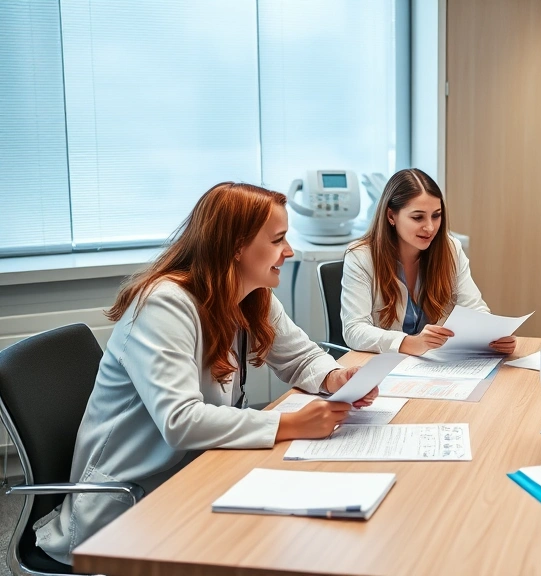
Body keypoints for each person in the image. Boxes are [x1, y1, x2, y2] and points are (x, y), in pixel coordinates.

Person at [35, 182, 377, 565]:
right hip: (131, 503)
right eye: (278, 239)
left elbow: (300, 358)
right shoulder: (165, 304)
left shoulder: (250, 294)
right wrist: (291, 424)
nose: (289, 251)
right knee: (288, 546)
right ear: (236, 246)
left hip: (197, 474)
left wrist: (334, 377)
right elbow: (181, 421)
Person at [341, 168, 515, 356]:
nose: (430, 227)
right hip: (384, 365)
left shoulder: (450, 249)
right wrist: (408, 343)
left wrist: (493, 335)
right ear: (391, 216)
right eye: (418, 217)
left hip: (437, 366)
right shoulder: (361, 256)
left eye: (436, 215)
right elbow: (354, 330)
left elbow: (474, 308)